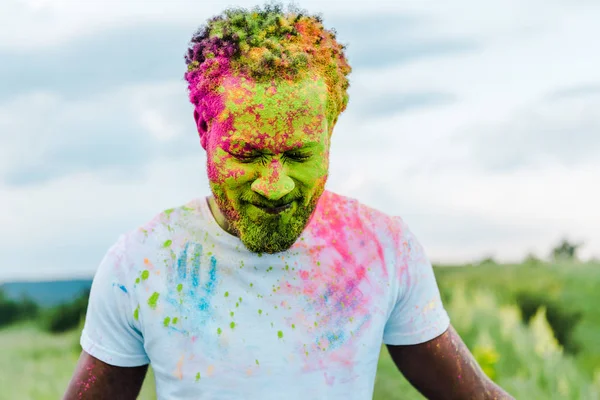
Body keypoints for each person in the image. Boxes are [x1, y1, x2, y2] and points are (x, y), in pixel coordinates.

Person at [64, 3, 514, 399]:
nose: (275, 185)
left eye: (299, 155)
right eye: (247, 153)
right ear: (204, 131)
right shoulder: (141, 264)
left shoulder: (382, 250)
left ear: (330, 134)